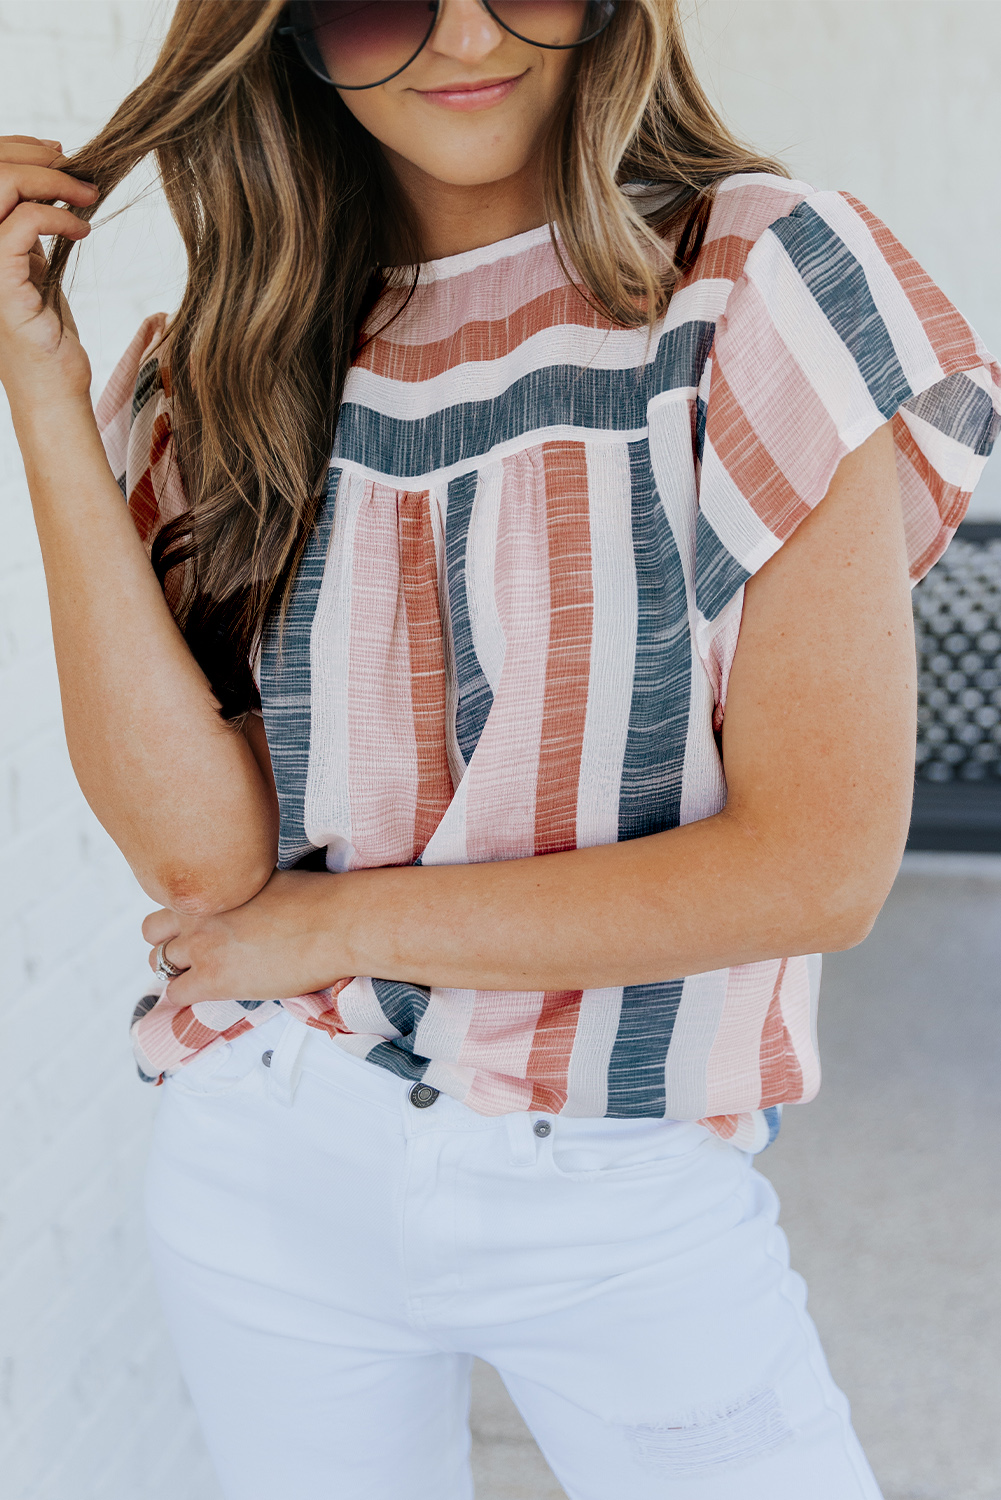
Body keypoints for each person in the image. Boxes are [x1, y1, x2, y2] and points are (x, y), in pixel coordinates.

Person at [0, 1, 997, 1496]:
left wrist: (329, 925)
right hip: (266, 1152)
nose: (468, 34)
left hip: (617, 1170)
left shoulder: (757, 279)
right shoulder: (225, 367)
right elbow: (202, 862)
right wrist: (37, 383)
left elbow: (815, 871)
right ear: (287, 36)